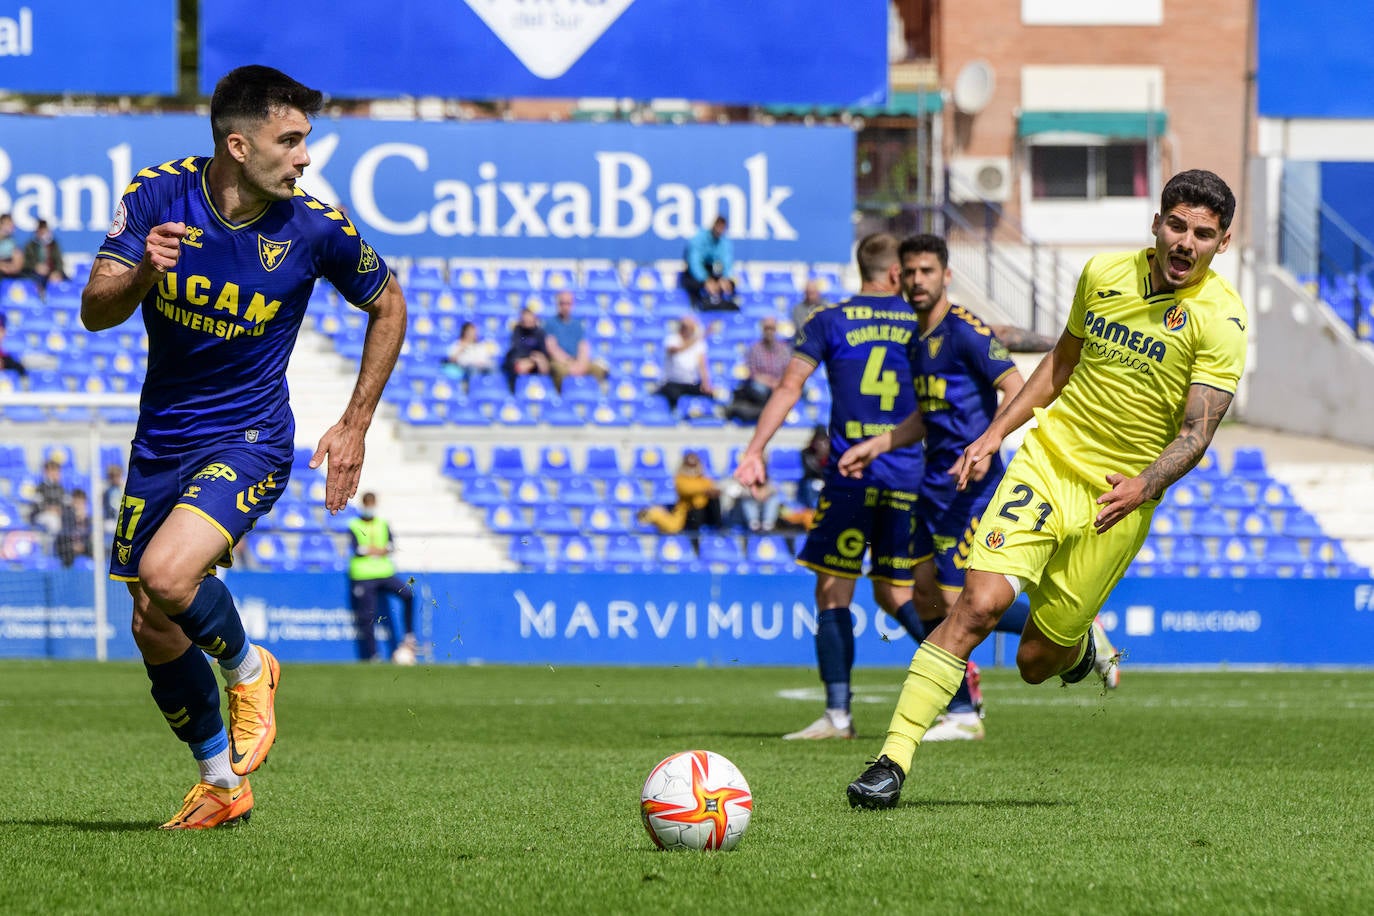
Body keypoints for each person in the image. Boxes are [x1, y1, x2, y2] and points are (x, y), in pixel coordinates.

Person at [846, 169, 1247, 809]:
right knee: (974, 604)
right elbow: (1060, 364)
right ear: (1156, 222)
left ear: (1221, 243)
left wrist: (1143, 485)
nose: (1186, 242)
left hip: (1119, 499)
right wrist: (996, 433)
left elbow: (1197, 432)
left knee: (1036, 662)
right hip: (1048, 464)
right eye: (1177, 225)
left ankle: (1080, 643)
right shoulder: (1102, 275)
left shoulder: (1221, 319)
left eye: (1203, 234)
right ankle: (892, 761)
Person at [80, 65, 406, 829]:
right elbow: (96, 311)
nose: (303, 157)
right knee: (152, 621)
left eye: (305, 141)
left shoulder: (317, 227)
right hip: (162, 440)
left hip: (252, 437)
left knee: (166, 576)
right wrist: (140, 277)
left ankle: (251, 668)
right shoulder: (158, 194)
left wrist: (354, 423)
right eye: (289, 141)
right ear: (238, 143)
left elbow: (388, 303)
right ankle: (222, 784)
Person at [838, 233, 1042, 743]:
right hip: (935, 487)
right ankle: (963, 701)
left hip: (975, 486)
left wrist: (989, 442)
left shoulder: (966, 330)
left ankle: (968, 707)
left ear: (946, 275)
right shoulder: (913, 340)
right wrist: (879, 443)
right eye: (909, 272)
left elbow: (1016, 388)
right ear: (898, 276)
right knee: (924, 592)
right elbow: (925, 419)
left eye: (927, 271)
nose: (917, 280)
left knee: (961, 600)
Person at [735, 232, 928, 741]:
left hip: (851, 476)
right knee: (896, 592)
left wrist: (755, 450)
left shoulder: (828, 320)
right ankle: (956, 696)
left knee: (832, 590)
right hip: (909, 474)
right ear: (895, 273)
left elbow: (789, 386)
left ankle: (839, 715)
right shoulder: (923, 321)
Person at [347, 492, 418, 665]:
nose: (369, 508)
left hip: (384, 573)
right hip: (363, 575)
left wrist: (372, 550)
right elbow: (358, 549)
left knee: (408, 594)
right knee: (368, 616)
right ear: (363, 505)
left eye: (372, 504)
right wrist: (379, 550)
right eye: (367, 504)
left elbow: (391, 546)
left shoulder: (382, 524)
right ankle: (373, 656)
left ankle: (409, 635)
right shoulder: (354, 525)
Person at [639, 451, 722, 536]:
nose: (692, 469)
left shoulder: (704, 479)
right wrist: (705, 490)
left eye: (694, 465)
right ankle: (695, 542)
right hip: (689, 512)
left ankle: (719, 528)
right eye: (689, 465)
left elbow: (712, 489)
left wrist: (711, 491)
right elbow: (686, 489)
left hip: (704, 512)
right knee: (695, 512)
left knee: (714, 500)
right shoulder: (681, 478)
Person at [726, 316, 791, 423]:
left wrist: (777, 383)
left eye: (772, 328)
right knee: (758, 388)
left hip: (779, 383)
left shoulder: (784, 350)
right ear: (762, 330)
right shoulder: (755, 349)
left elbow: (788, 371)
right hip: (761, 385)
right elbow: (753, 373)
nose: (769, 331)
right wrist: (769, 382)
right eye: (767, 328)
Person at [544, 290, 607, 390]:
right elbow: (552, 348)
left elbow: (583, 346)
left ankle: (591, 395)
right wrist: (569, 363)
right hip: (560, 361)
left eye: (568, 303)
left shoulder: (577, 324)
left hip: (577, 361)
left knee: (598, 370)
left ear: (572, 305)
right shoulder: (550, 323)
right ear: (557, 304)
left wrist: (581, 364)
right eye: (562, 303)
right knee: (560, 371)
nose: (565, 307)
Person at [656, 313, 713, 410]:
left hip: (691, 383)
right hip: (673, 382)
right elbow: (675, 350)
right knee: (672, 394)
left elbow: (702, 365)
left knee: (709, 394)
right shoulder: (672, 339)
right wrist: (698, 338)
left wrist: (706, 383)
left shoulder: (698, 343)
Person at [681, 215, 737, 310]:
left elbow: (726, 261)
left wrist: (724, 278)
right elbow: (695, 262)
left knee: (729, 283)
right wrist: (705, 280)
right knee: (694, 283)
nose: (720, 230)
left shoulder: (724, 241)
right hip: (697, 274)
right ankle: (698, 305)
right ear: (713, 225)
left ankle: (722, 303)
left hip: (713, 271)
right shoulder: (699, 238)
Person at [502, 306, 550, 391]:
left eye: (529, 317)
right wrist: (527, 361)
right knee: (517, 366)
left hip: (535, 363)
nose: (527, 320)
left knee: (544, 365)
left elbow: (543, 353)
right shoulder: (517, 331)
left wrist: (533, 362)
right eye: (525, 318)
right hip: (520, 362)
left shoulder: (540, 333)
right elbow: (517, 350)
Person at [22, 218, 66, 291]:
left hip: (51, 272)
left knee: (64, 280)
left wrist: (57, 272)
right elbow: (26, 262)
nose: (43, 233)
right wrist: (36, 267)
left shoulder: (54, 244)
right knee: (36, 280)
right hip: (35, 274)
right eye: (41, 231)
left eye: (44, 230)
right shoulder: (30, 245)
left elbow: (59, 261)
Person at [55, 487, 94, 567]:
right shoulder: (66, 517)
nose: (78, 505)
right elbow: (63, 537)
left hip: (85, 549)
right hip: (69, 549)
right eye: (76, 502)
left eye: (81, 502)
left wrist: (83, 546)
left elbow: (91, 537)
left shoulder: (89, 520)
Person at [28, 458, 68, 534]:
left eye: (57, 471)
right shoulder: (40, 488)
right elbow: (36, 506)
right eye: (53, 471)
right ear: (46, 472)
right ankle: (53, 544)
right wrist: (50, 509)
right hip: (41, 515)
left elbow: (66, 503)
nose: (56, 473)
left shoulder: (61, 488)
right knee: (53, 520)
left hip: (58, 514)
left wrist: (59, 510)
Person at [0, 214, 24, 280]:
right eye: (8, 224)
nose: (12, 226)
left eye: (12, 224)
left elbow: (18, 261)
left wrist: (13, 267)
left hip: (10, 269)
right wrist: (2, 266)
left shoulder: (13, 242)